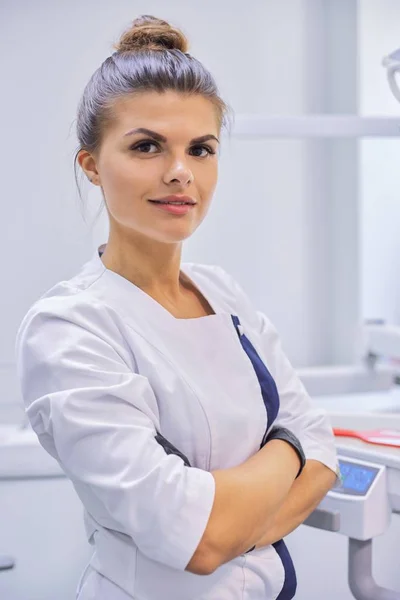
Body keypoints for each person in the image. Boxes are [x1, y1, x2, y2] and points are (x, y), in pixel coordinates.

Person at [15, 15, 339, 600]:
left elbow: (325, 454)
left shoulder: (223, 293)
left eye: (201, 148)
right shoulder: (70, 326)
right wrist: (287, 445)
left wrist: (231, 519)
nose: (180, 172)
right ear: (91, 164)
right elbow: (201, 540)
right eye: (146, 146)